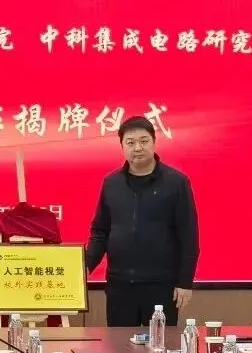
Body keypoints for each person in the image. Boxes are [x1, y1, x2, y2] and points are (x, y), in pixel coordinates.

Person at [85, 116, 199, 327]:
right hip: (120, 285)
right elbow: (100, 231)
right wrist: (85, 265)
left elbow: (188, 235)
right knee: (119, 345)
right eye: (130, 142)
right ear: (122, 146)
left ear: (154, 142)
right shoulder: (112, 183)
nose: (137, 147)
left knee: (161, 345)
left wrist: (184, 282)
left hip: (161, 285)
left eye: (144, 141)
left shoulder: (176, 182)